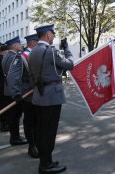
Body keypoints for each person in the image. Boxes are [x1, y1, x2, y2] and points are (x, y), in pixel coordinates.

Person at [29, 24, 74, 174]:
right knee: (48, 132)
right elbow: (69, 64)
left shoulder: (33, 51)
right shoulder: (49, 51)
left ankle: (46, 160)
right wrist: (67, 48)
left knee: (42, 130)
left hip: (39, 95)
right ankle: (45, 165)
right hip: (51, 96)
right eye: (53, 35)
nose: (53, 37)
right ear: (48, 35)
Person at [6, 34, 39, 158]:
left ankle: (35, 144)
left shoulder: (31, 54)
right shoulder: (22, 57)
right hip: (27, 94)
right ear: (33, 43)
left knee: (34, 121)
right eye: (37, 41)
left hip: (33, 93)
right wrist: (16, 93)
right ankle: (32, 146)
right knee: (30, 121)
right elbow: (12, 76)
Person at [2, 37, 28, 146]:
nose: (21, 45)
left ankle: (15, 137)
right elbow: (13, 77)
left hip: (8, 90)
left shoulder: (6, 56)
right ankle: (15, 138)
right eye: (19, 44)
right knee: (15, 117)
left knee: (12, 116)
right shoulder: (16, 57)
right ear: (14, 46)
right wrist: (16, 93)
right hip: (14, 91)